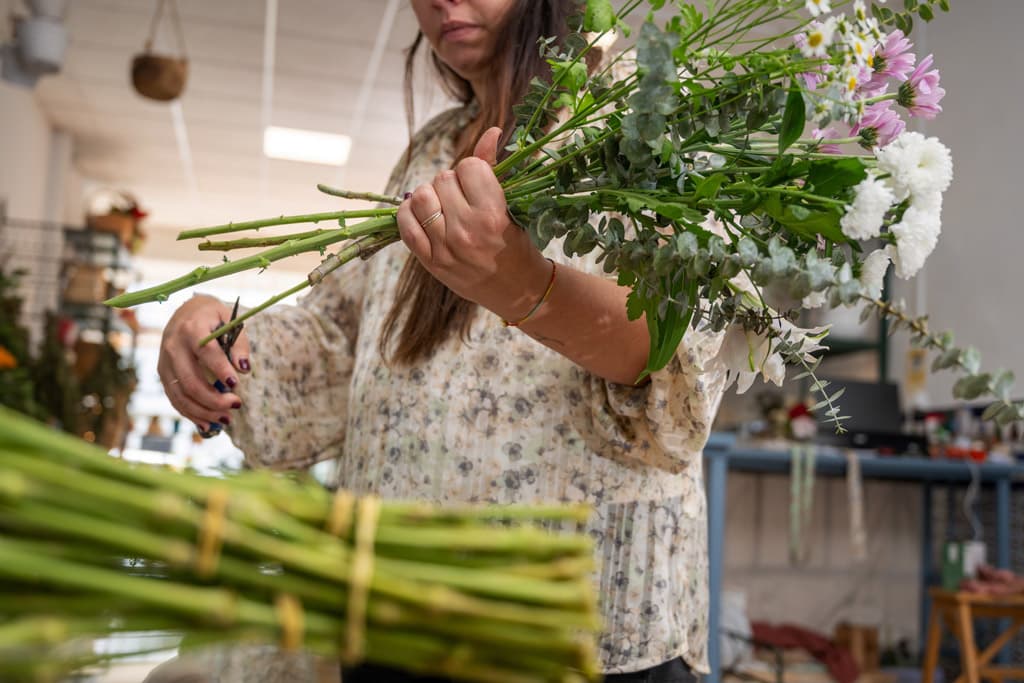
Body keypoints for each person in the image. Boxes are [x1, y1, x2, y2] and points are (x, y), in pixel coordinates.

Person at [157, 1, 729, 681]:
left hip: (577, 640)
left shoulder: (645, 109)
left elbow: (671, 354)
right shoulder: (430, 148)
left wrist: (524, 283)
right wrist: (217, 330)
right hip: (398, 623)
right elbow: (342, 345)